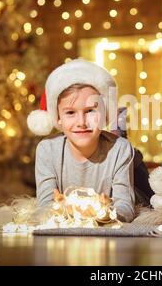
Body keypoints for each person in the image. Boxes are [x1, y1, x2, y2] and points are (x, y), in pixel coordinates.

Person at [27, 59, 135, 222]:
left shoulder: (120, 149)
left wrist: (106, 213)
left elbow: (125, 207)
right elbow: (44, 206)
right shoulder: (47, 150)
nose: (82, 122)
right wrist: (60, 210)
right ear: (58, 118)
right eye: (70, 113)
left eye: (90, 111)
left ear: (105, 113)